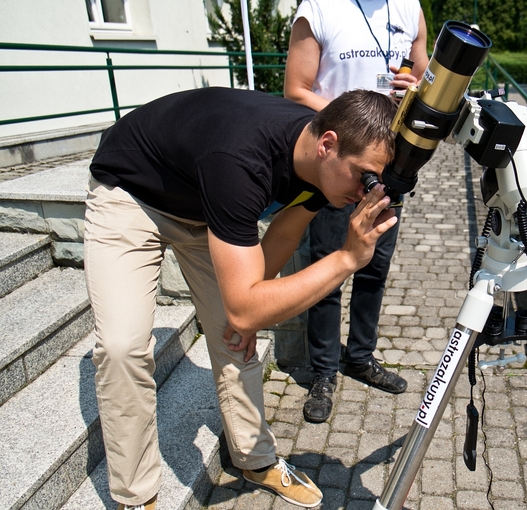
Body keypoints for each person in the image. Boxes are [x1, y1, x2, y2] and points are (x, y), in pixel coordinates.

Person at [84, 86, 398, 509]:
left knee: (234, 332)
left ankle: (256, 458)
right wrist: (345, 259)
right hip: (133, 192)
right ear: (328, 144)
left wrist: (246, 305)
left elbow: (285, 231)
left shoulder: (322, 169)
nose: (366, 192)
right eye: (364, 176)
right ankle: (136, 497)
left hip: (205, 203)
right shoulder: (241, 160)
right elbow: (248, 305)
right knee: (122, 347)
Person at [284, 0, 428, 423]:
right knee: (329, 271)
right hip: (341, 169)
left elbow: (425, 80)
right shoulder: (318, 8)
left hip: (390, 168)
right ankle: (324, 371)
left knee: (373, 271)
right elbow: (295, 90)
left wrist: (412, 89)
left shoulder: (409, 8)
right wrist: (355, 131)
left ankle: (361, 357)